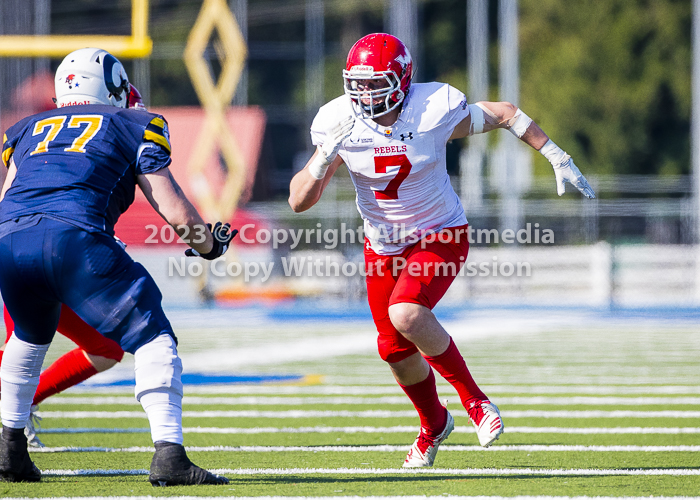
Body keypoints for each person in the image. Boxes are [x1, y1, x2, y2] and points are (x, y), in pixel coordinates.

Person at [289, 33, 595, 468]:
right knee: (393, 350)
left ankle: (476, 403)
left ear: (402, 79)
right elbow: (298, 201)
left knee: (407, 312)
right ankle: (433, 423)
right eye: (358, 83)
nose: (364, 93)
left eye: (375, 84)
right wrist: (323, 158)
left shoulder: (432, 109)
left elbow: (505, 113)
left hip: (440, 233)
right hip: (383, 245)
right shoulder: (339, 121)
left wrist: (555, 154)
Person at [0, 48, 236, 485]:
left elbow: (8, 197)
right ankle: (169, 455)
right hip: (74, 235)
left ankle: (10, 449)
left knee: (29, 340)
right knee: (152, 334)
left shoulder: (25, 129)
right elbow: (173, 208)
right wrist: (207, 246)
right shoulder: (134, 123)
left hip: (10, 241)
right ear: (110, 86)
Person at [0, 85, 147, 448]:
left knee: (105, 348)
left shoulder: (40, 131)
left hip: (28, 249)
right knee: (23, 342)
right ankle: (12, 416)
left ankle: (19, 407)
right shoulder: (112, 131)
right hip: (43, 251)